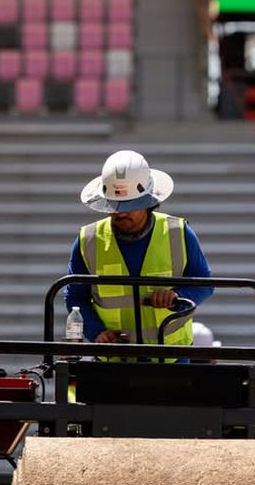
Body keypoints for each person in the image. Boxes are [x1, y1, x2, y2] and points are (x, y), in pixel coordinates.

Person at [65, 149, 214, 348]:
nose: (120, 213)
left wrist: (178, 296)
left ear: (148, 202)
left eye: (129, 206)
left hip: (171, 358)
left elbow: (204, 283)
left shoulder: (179, 232)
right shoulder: (88, 240)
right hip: (112, 359)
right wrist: (97, 332)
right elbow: (75, 297)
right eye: (114, 205)